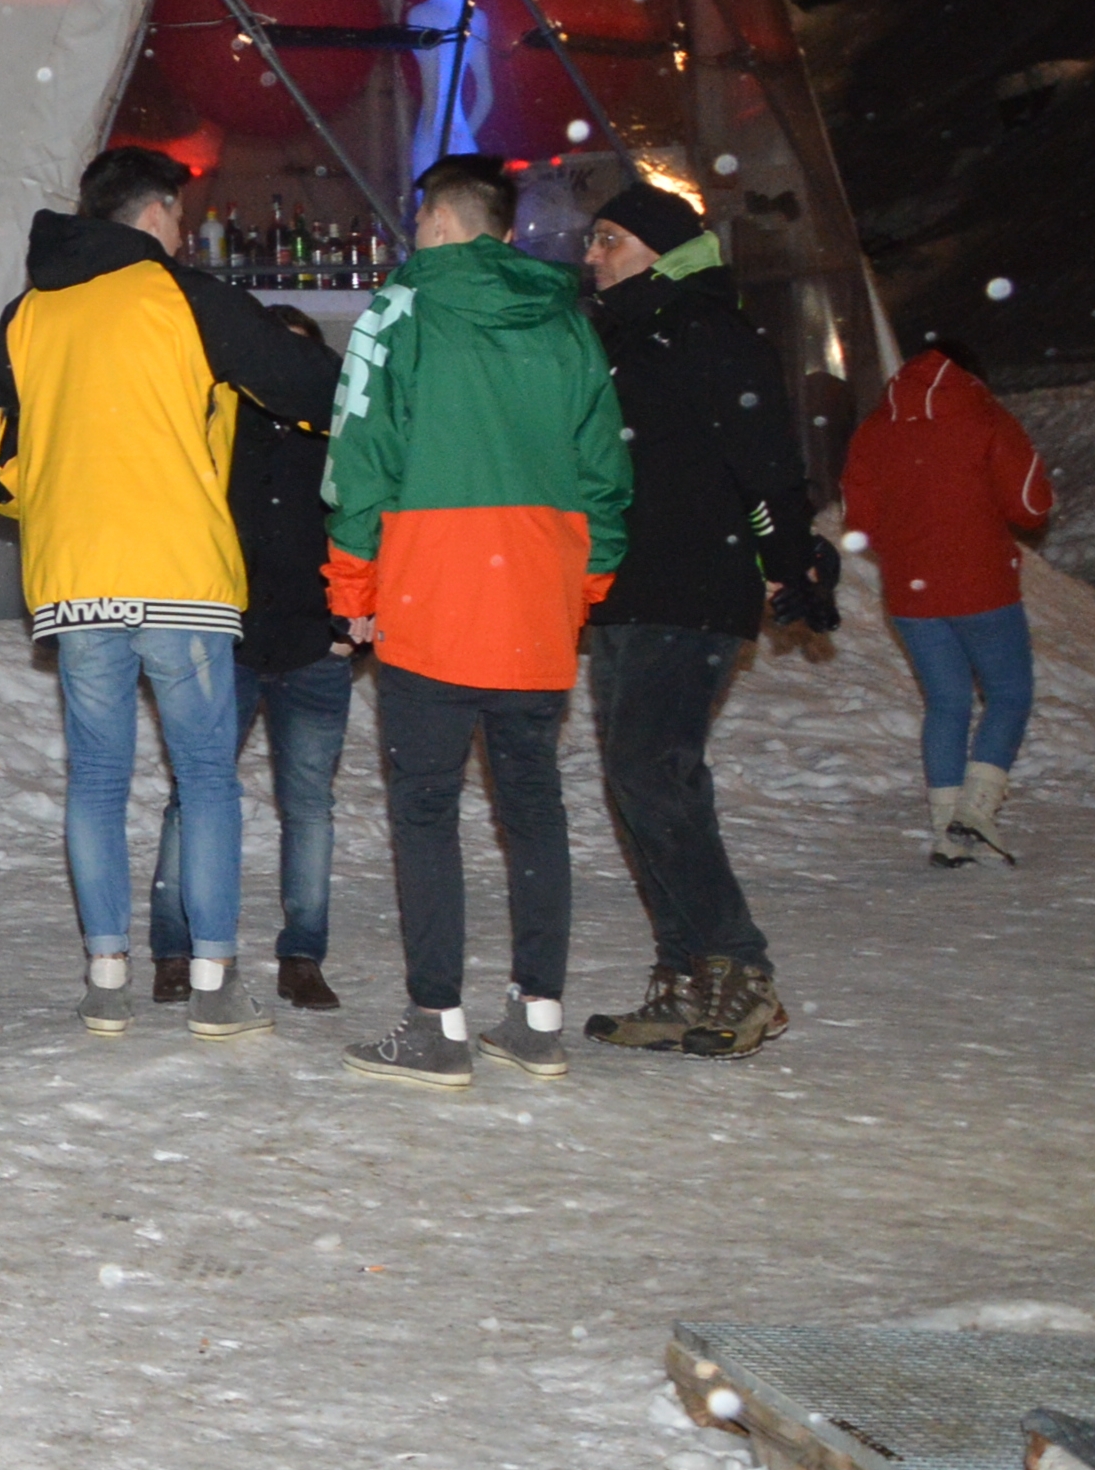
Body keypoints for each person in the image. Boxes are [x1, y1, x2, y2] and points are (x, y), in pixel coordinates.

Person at [0, 144, 337, 1041]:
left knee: (96, 776)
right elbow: (305, 380)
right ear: (157, 213)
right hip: (179, 576)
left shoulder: (33, 310)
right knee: (204, 776)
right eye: (180, 216)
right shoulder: (185, 299)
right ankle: (211, 980)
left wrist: (21, 492)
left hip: (77, 579)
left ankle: (107, 975)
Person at [327, 154, 634, 1094]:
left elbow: (359, 456)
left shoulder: (400, 311)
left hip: (429, 598)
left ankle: (437, 1025)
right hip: (532, 605)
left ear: (442, 221)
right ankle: (536, 1018)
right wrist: (576, 589)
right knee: (532, 807)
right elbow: (605, 476)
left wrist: (353, 593)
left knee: (425, 810)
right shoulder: (567, 322)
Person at [575, 181, 823, 1057]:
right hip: (624, 589)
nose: (590, 254)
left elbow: (765, 457)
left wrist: (790, 556)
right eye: (591, 239)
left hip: (691, 586)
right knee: (644, 778)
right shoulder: (615, 335)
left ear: (657, 249)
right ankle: (685, 976)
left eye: (608, 239)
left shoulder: (707, 327)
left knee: (651, 771)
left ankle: (740, 971)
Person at [146, 303, 359, 1011]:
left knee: (309, 808)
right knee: (193, 799)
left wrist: (344, 621)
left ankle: (303, 955)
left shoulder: (337, 433)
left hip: (312, 648)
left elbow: (364, 522)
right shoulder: (217, 426)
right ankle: (173, 950)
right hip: (223, 642)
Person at [842, 332, 1055, 868]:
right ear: (972, 375)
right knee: (1008, 693)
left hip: (912, 592)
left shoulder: (875, 428)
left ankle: (945, 828)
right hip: (983, 584)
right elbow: (1031, 504)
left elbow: (859, 522)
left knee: (946, 703)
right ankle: (975, 812)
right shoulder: (985, 417)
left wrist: (911, 545)